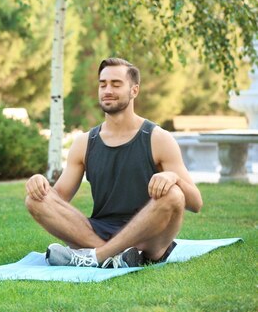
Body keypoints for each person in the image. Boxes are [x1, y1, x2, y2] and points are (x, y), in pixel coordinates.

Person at [25, 57, 203, 268]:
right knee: (34, 200)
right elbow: (58, 198)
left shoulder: (158, 138)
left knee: (174, 194)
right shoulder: (84, 143)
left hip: (149, 238)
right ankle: (115, 257)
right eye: (103, 84)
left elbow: (195, 204)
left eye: (116, 84)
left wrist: (173, 178)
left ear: (134, 90)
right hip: (98, 230)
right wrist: (39, 183)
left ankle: (96, 256)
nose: (107, 90)